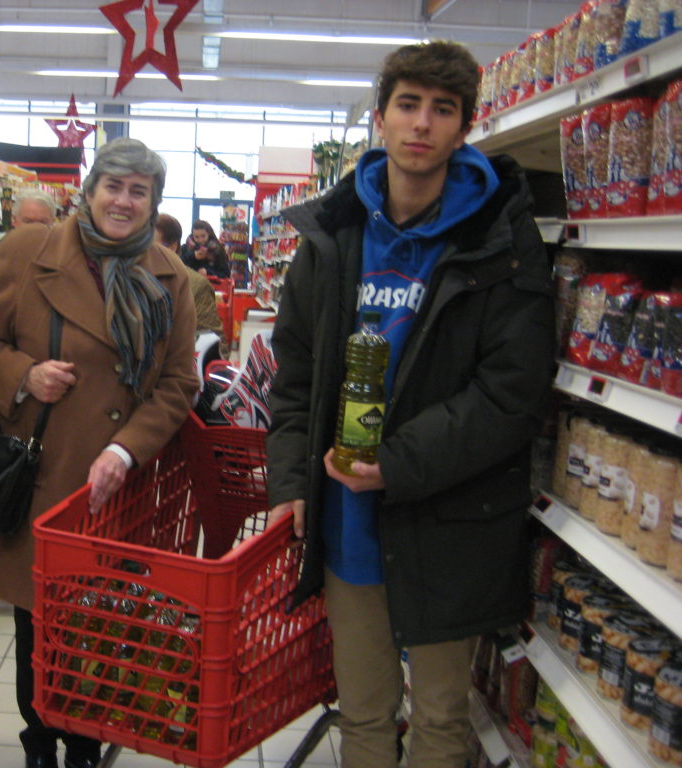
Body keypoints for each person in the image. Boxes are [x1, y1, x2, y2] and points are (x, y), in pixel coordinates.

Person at [265, 41, 555, 768]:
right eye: (408, 104)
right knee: (362, 715)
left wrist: (395, 463)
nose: (422, 124)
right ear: (381, 118)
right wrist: (290, 482)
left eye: (443, 109)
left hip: (447, 520)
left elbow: (511, 390)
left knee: (439, 720)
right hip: (347, 521)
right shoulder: (332, 237)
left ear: (463, 126)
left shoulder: (499, 237)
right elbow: (295, 377)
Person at [0, 137, 198, 768]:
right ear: (88, 193)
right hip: (45, 473)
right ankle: (39, 744)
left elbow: (178, 382)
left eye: (138, 191)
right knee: (37, 623)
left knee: (102, 623)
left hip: (119, 483)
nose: (123, 200)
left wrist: (125, 448)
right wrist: (23, 375)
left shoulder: (172, 278)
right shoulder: (31, 253)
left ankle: (85, 744)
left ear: (153, 203)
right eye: (112, 186)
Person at [0, 189, 57, 293]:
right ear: (15, 221)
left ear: (52, 223)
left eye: (42, 222)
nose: (34, 228)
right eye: (28, 221)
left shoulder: (65, 256)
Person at [155, 212, 223, 342]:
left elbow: (212, 344)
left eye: (153, 246)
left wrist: (208, 272)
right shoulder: (127, 280)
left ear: (172, 246)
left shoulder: (196, 286)